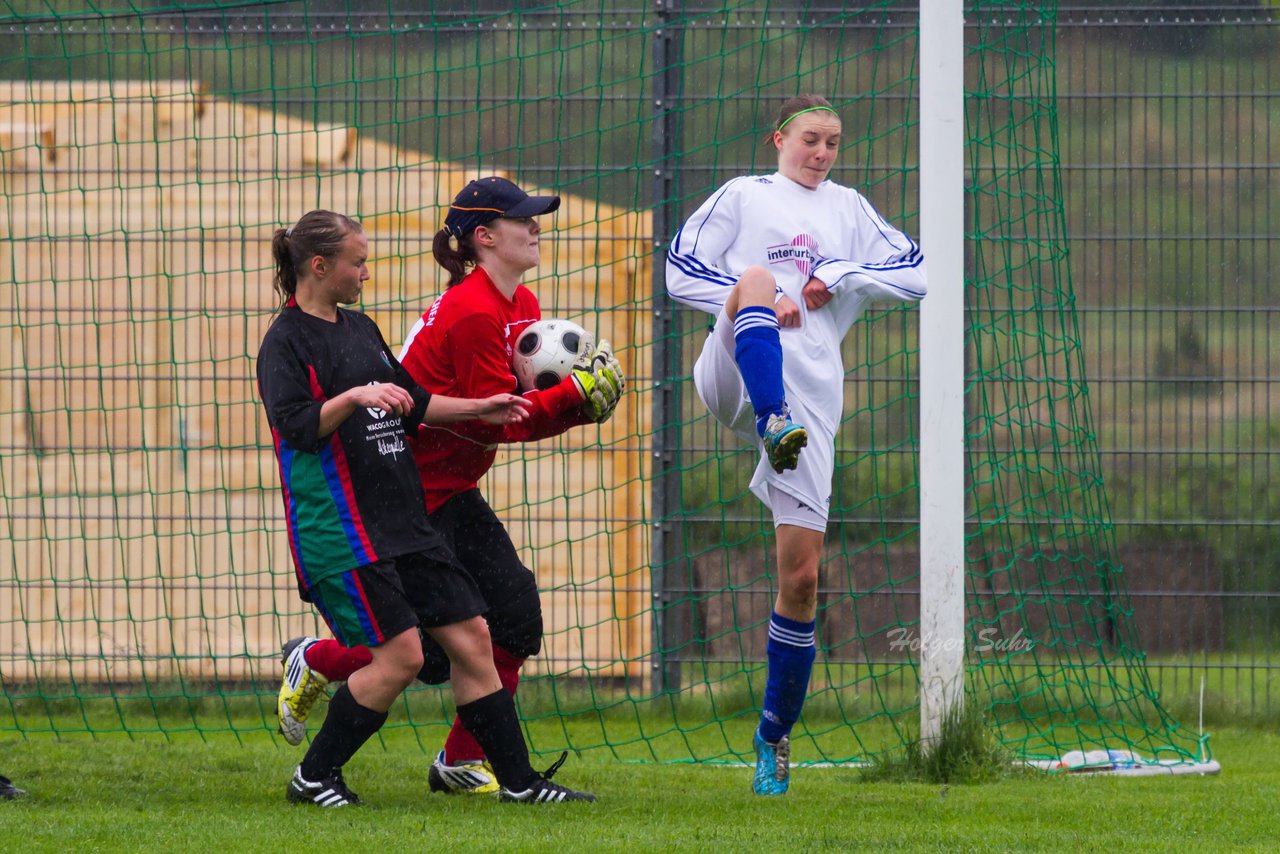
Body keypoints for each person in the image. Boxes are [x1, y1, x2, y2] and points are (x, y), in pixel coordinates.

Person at [274, 178, 624, 798]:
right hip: (400, 501)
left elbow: (477, 407)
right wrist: (573, 402)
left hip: (447, 493)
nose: (537, 227)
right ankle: (320, 668)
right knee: (423, 656)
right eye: (525, 219)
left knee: (505, 620)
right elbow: (506, 420)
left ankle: (475, 767)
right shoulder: (468, 311)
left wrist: (563, 397)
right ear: (485, 237)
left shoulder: (513, 304)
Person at [665, 94, 927, 795]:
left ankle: (773, 737)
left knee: (802, 576)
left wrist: (835, 275)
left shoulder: (847, 210)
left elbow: (915, 272)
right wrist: (759, 296)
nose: (822, 153)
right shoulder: (744, 195)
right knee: (753, 277)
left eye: (834, 143)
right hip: (735, 375)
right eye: (811, 139)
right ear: (779, 137)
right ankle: (771, 416)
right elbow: (679, 268)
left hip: (814, 393)